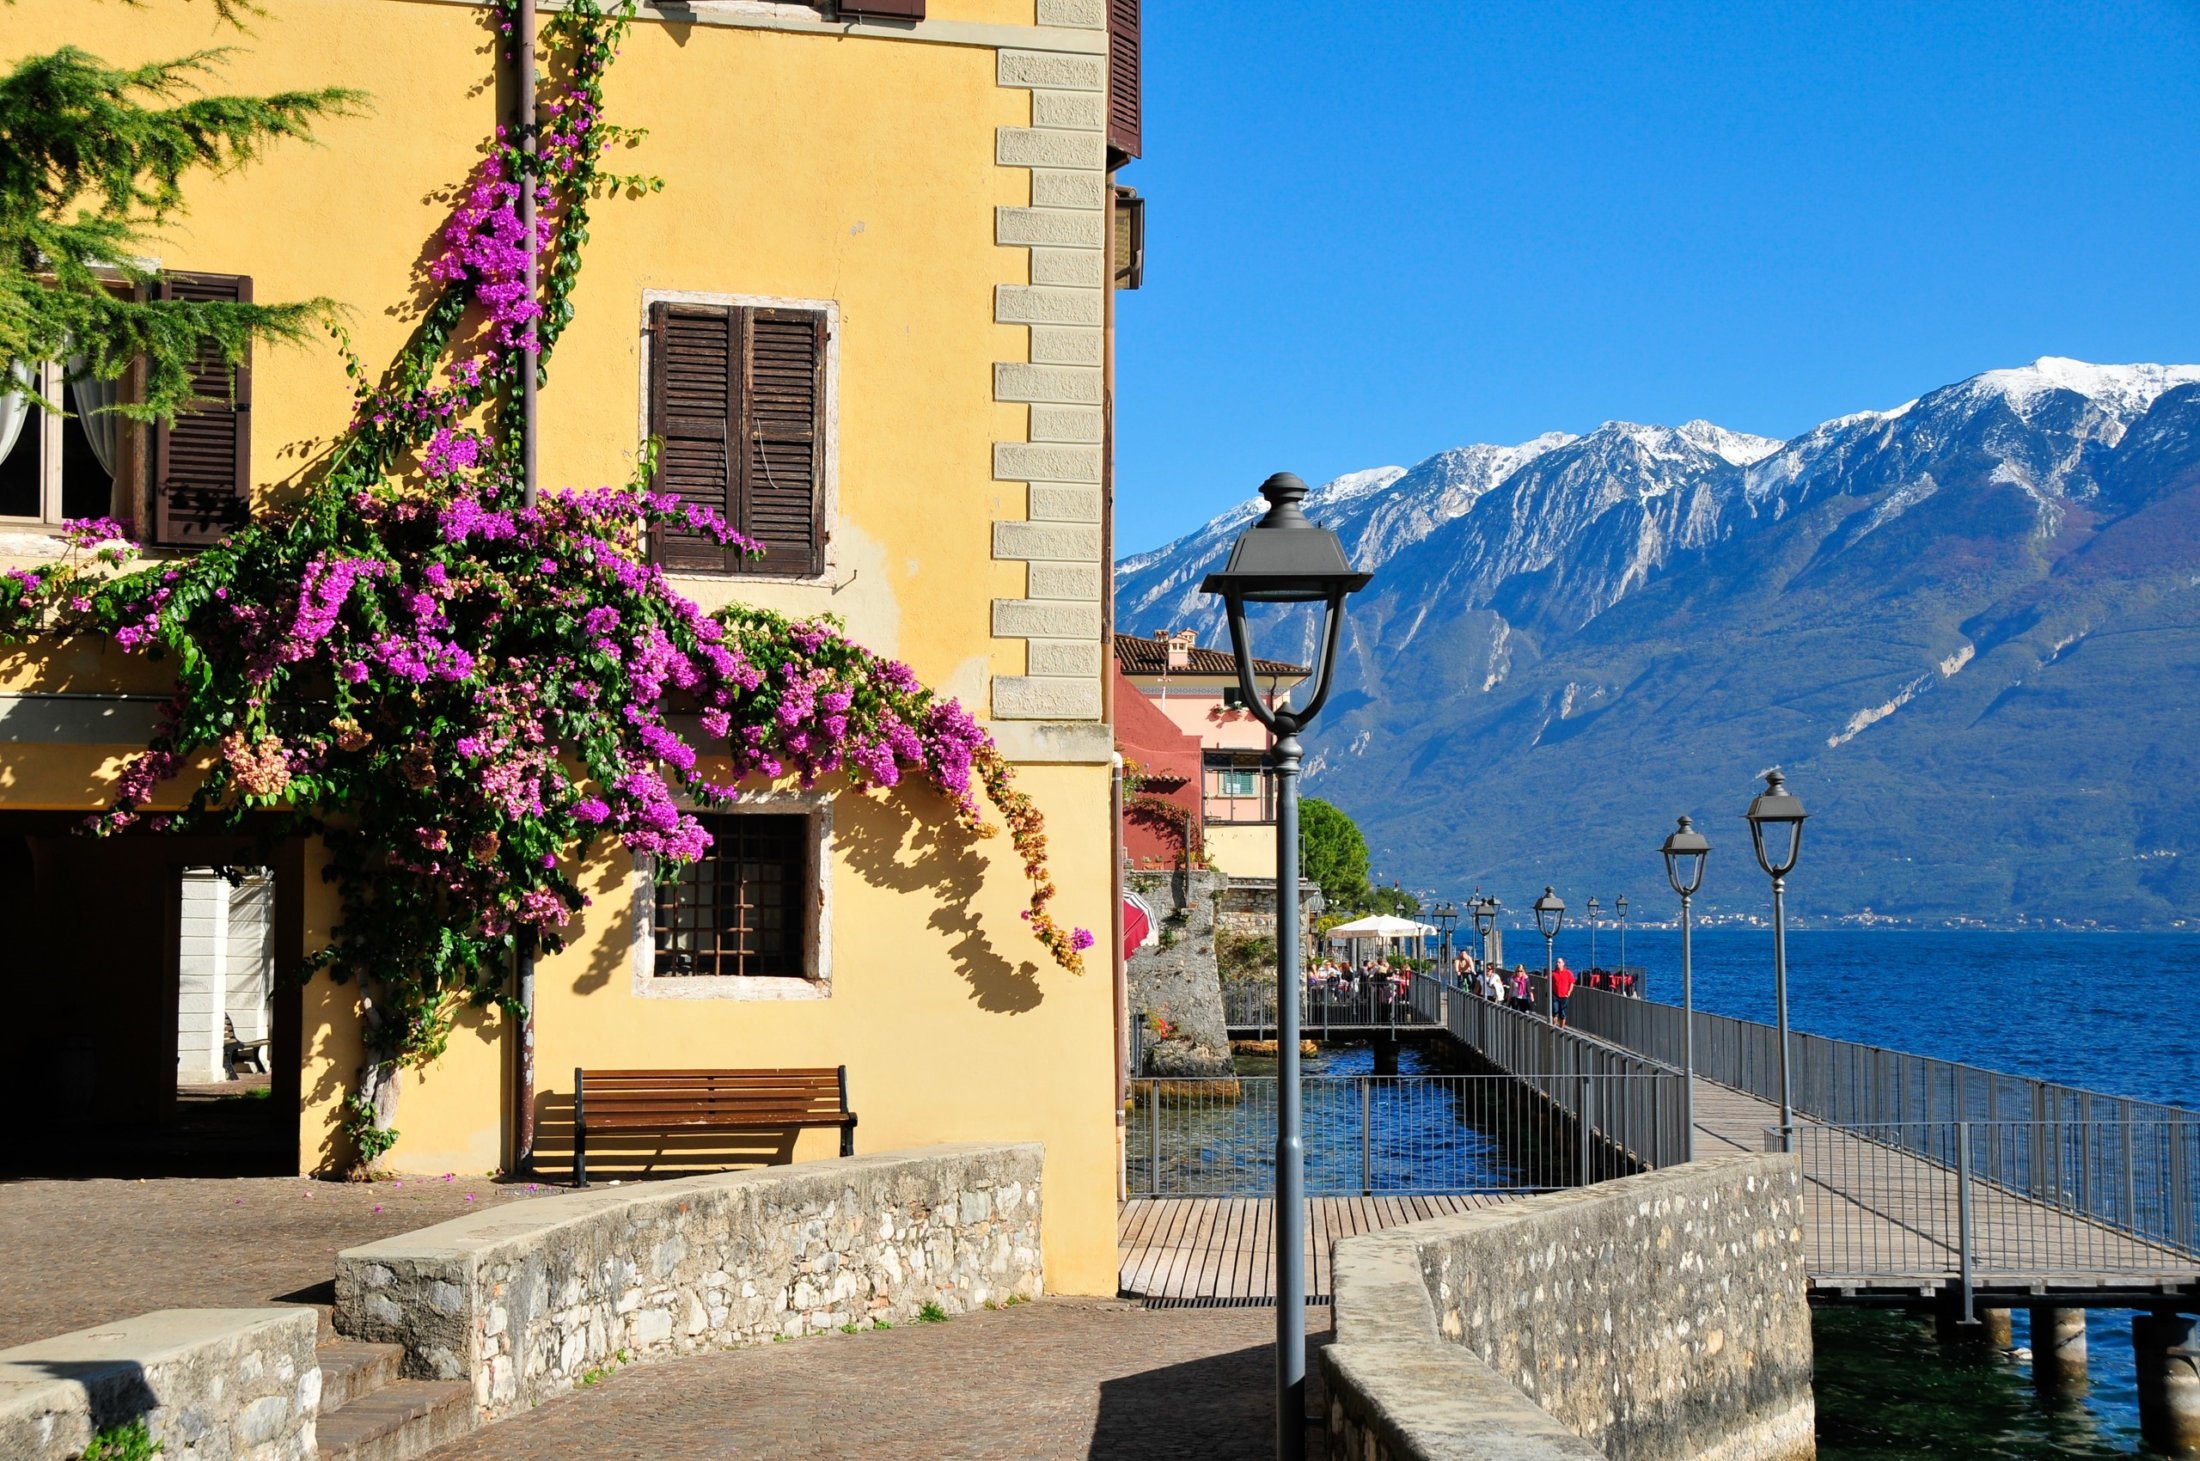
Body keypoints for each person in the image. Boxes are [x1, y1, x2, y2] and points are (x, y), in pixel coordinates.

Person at [1550, 957, 1577, 1028]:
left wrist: (1569, 992)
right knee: (1555, 1011)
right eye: (1557, 962)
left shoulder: (1568, 973)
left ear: (1563, 963)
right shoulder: (1553, 973)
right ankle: (1554, 1026)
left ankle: (1561, 1028)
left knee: (1562, 1013)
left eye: (1559, 962)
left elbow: (1571, 983)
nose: (1557, 964)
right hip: (1555, 995)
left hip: (1564, 996)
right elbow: (1548, 982)